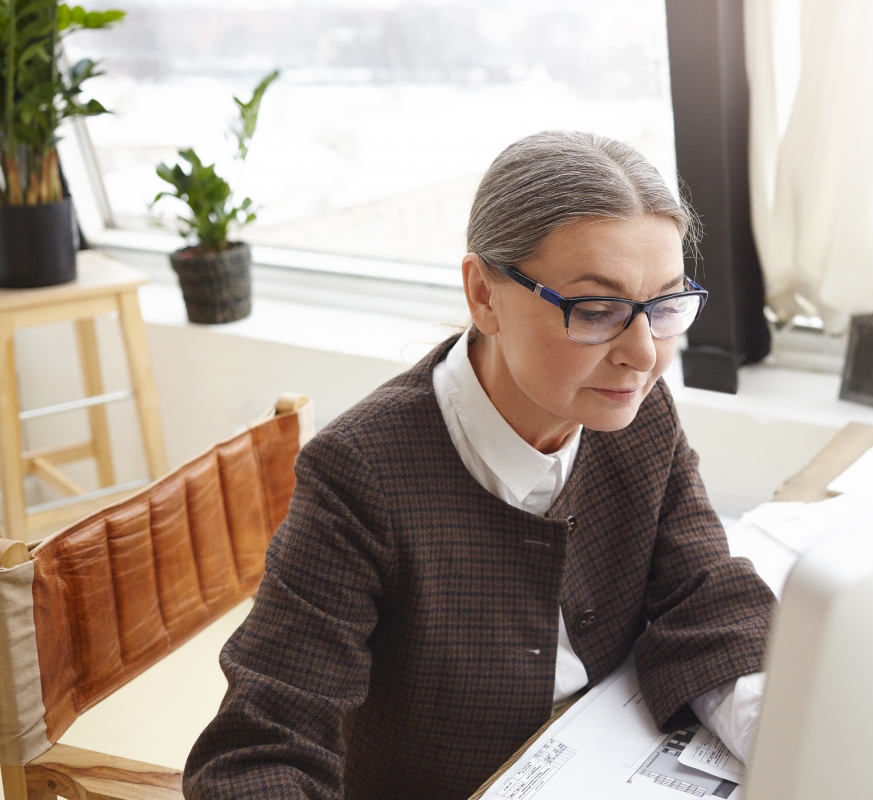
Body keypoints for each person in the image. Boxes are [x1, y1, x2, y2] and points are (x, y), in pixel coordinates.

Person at [183, 131, 776, 799]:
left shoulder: (638, 417)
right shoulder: (361, 476)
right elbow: (260, 749)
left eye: (664, 305)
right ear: (484, 295)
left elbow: (702, 598)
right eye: (597, 309)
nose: (643, 353)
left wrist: (794, 746)